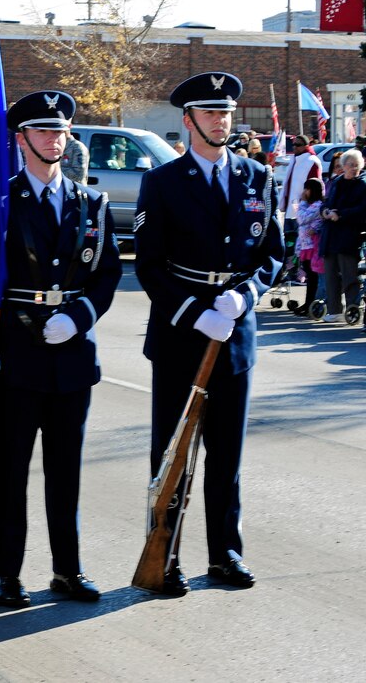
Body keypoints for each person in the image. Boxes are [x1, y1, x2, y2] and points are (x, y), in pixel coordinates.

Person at [0, 91, 121, 608]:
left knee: (65, 469)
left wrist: (79, 316)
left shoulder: (89, 201)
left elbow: (107, 273)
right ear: (21, 138)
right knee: (12, 469)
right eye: (44, 131)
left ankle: (67, 569)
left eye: (60, 131)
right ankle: (8, 572)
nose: (55, 140)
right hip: (17, 351)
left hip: (72, 352)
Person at [134, 72, 283, 595]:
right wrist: (195, 312)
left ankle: (225, 554)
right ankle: (165, 554)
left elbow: (273, 254)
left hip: (236, 335)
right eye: (210, 113)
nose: (221, 121)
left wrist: (245, 296)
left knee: (227, 455)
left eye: (226, 113)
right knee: (172, 452)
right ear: (188, 120)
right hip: (182, 336)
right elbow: (150, 267)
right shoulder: (163, 183)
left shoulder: (256, 177)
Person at [318, 149, 366, 325]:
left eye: (356, 165)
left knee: (349, 276)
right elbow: (326, 202)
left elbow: (362, 210)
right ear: (343, 166)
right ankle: (334, 310)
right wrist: (324, 211)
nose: (354, 168)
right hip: (331, 235)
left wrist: (341, 215)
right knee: (331, 274)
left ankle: (353, 309)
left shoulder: (362, 185)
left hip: (349, 236)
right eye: (350, 165)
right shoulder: (336, 182)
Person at [279, 134, 321, 242]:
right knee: (288, 246)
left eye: (298, 145)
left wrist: (307, 208)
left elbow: (315, 188)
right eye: (293, 145)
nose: (294, 147)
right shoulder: (293, 160)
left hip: (303, 212)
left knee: (300, 247)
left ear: (306, 146)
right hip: (289, 211)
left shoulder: (312, 161)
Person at [293, 177, 326, 316]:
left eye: (307, 189)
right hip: (305, 246)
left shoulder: (317, 205)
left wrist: (302, 202)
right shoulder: (309, 205)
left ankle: (311, 304)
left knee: (313, 277)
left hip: (313, 246)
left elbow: (301, 218)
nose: (304, 192)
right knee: (309, 277)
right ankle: (308, 303)